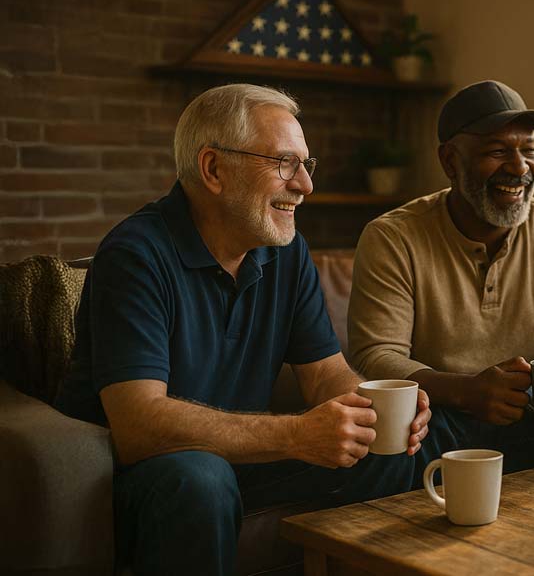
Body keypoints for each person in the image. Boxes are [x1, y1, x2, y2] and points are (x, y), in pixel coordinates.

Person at [54, 84, 435, 576]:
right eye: (283, 162)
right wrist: (297, 434)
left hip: (244, 459)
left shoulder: (285, 249)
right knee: (200, 477)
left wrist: (378, 404)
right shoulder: (135, 255)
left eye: (306, 164)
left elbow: (324, 377)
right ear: (213, 169)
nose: (305, 185)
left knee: (390, 449)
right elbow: (137, 425)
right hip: (146, 473)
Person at [347, 79, 534, 472]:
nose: (520, 167)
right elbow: (376, 356)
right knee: (388, 436)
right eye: (497, 151)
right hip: (442, 418)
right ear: (451, 160)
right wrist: (466, 392)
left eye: (529, 150)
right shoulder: (392, 236)